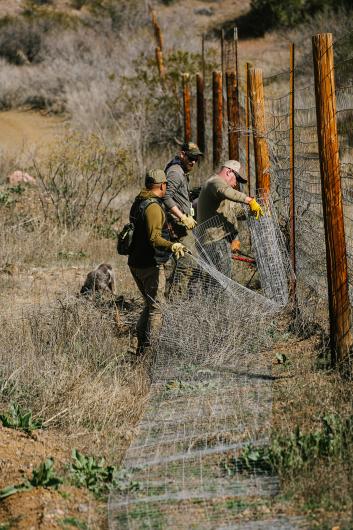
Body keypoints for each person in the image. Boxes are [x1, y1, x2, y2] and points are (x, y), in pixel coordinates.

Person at [128, 169, 185, 355]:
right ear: (162, 185)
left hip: (135, 262)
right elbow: (154, 238)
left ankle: (139, 346)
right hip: (148, 264)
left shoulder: (139, 200)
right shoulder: (152, 207)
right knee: (157, 308)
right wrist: (173, 245)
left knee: (149, 304)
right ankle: (151, 352)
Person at [196, 160, 263, 276]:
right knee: (220, 281)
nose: (237, 184)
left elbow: (236, 211)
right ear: (229, 172)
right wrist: (250, 201)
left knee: (214, 280)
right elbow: (226, 191)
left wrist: (254, 211)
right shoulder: (215, 182)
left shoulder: (224, 191)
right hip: (213, 241)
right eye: (237, 179)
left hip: (219, 240)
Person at [164, 141, 203, 293]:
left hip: (182, 224)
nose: (193, 162)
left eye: (196, 159)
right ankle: (175, 301)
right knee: (188, 261)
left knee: (186, 261)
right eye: (191, 158)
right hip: (176, 224)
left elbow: (179, 195)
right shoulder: (175, 172)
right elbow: (166, 198)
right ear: (182, 155)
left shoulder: (181, 170)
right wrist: (182, 217)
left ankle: (171, 295)